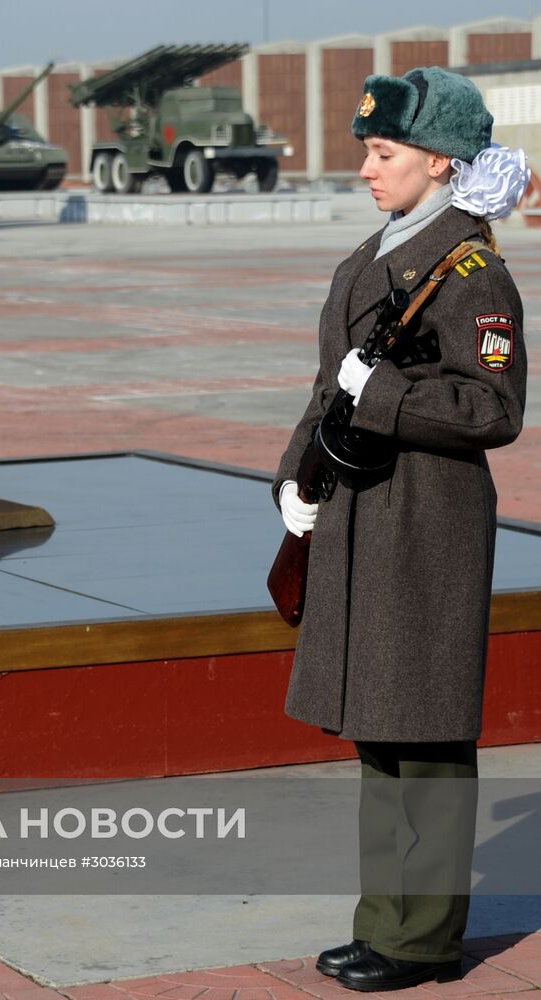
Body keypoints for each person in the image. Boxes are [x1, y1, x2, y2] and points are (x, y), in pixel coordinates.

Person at [274, 67, 529, 992]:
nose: (367, 169)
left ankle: (420, 942)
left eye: (383, 154)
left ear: (439, 161)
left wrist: (378, 393)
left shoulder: (471, 271)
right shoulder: (371, 256)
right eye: (368, 154)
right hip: (355, 518)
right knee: (379, 734)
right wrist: (289, 485)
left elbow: (492, 407)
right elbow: (323, 385)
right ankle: (384, 926)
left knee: (422, 741)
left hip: (425, 528)